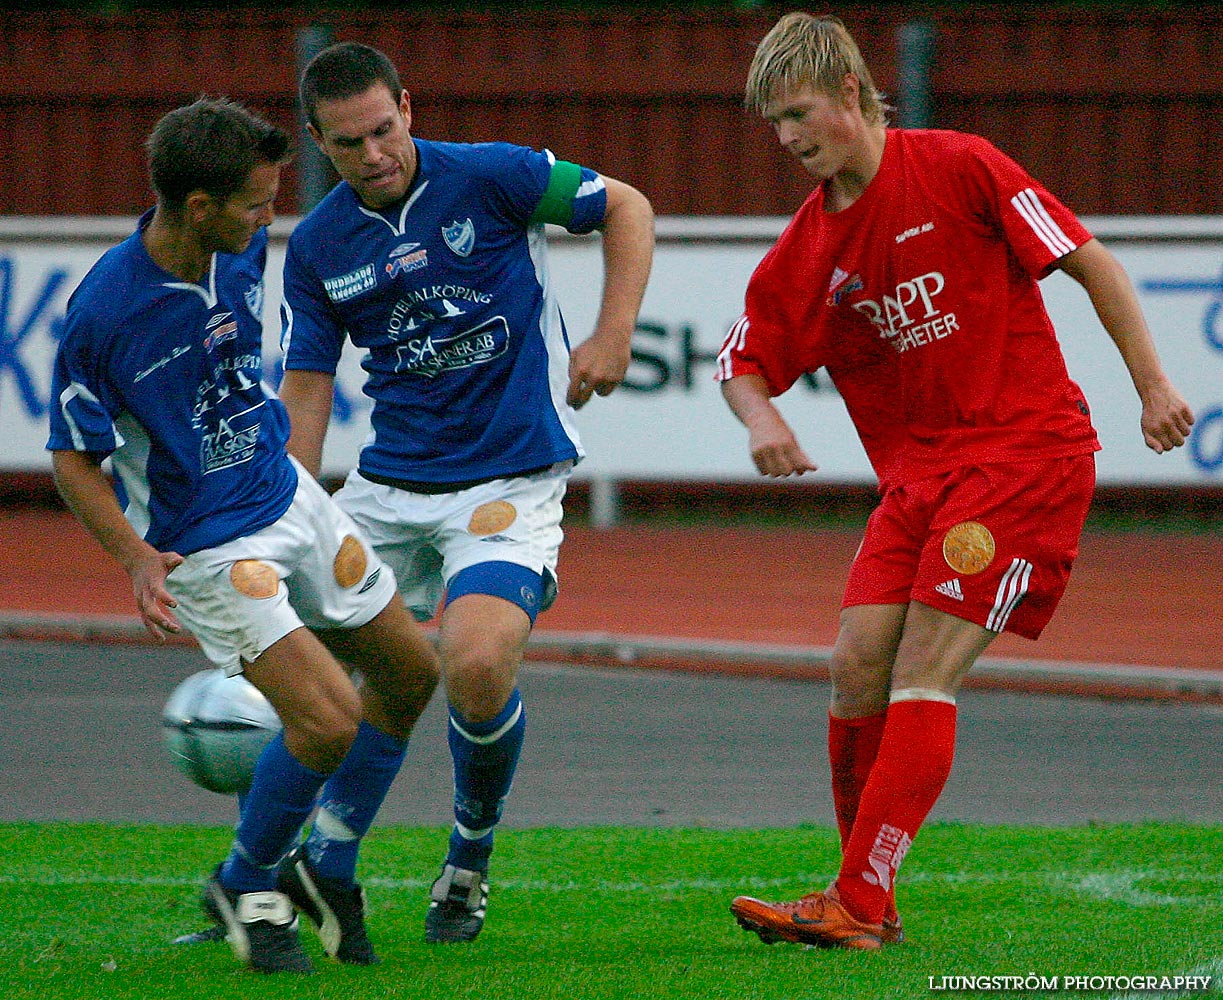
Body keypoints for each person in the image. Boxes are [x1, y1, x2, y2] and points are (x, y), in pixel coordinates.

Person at [718, 13, 1194, 951]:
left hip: (1021, 458)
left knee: (920, 672)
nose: (787, 139)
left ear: (852, 93)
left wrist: (1152, 386)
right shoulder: (809, 247)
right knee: (854, 665)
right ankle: (863, 897)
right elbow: (744, 358)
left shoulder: (961, 165)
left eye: (799, 114)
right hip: (917, 482)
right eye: (773, 124)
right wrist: (763, 417)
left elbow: (1089, 262)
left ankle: (858, 900)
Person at [46, 97, 440, 974]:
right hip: (207, 543)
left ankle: (321, 858)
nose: (271, 218)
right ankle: (246, 880)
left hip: (286, 492)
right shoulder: (105, 314)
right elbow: (74, 461)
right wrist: (138, 558)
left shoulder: (240, 246)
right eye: (257, 204)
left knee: (413, 671)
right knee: (329, 720)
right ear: (198, 208)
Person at [277, 42, 654, 943]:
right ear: (320, 146)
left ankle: (468, 856)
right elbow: (308, 383)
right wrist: (286, 507)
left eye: (383, 130)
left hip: (507, 479)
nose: (374, 154)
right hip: (385, 487)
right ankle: (272, 873)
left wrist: (612, 333)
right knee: (303, 678)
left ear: (407, 107)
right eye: (348, 143)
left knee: (476, 665)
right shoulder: (320, 244)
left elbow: (628, 208)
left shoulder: (492, 176)